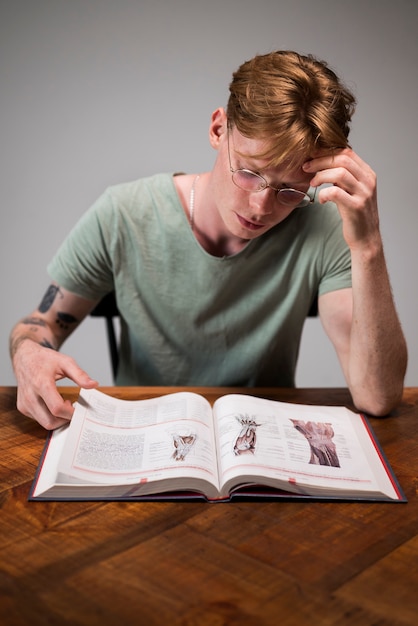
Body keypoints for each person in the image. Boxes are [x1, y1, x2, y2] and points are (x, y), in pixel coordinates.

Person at [9, 50, 407, 430]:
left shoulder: (323, 228)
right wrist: (29, 353)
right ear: (219, 129)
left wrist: (368, 244)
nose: (261, 206)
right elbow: (40, 323)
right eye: (250, 172)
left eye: (290, 190)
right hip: (144, 434)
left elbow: (375, 397)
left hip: (262, 445)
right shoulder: (124, 213)